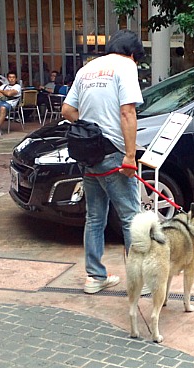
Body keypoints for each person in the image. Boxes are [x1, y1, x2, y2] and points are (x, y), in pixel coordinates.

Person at [62, 29, 145, 294]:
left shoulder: (88, 68)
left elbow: (67, 110)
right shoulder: (126, 67)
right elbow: (127, 112)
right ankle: (140, 281)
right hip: (114, 155)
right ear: (132, 54)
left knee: (95, 218)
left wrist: (90, 130)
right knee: (131, 218)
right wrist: (130, 156)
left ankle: (95, 277)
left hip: (89, 154)